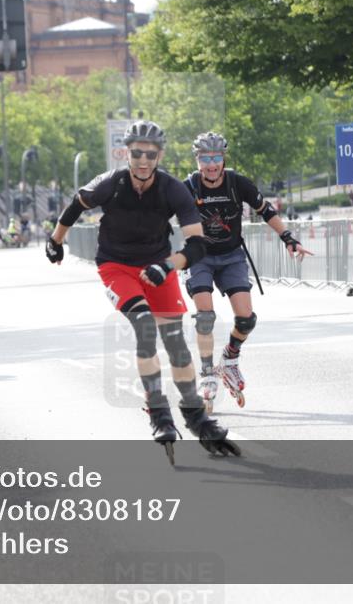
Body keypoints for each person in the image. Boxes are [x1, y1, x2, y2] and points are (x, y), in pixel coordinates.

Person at [46, 120, 239, 462]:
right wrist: (55, 242)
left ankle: (196, 416)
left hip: (157, 266)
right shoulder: (111, 182)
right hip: (116, 266)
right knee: (145, 328)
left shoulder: (172, 189)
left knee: (177, 345)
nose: (143, 161)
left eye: (150, 154)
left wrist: (167, 265)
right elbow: (76, 206)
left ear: (160, 155)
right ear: (127, 153)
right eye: (136, 153)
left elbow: (196, 245)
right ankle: (159, 412)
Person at [183, 132, 313, 411]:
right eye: (205, 159)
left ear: (223, 159)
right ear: (197, 160)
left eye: (216, 158)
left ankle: (229, 360)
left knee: (246, 319)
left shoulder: (237, 183)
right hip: (200, 256)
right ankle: (207, 374)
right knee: (205, 316)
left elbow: (266, 210)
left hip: (231, 256)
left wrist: (289, 238)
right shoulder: (188, 187)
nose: (211, 165)